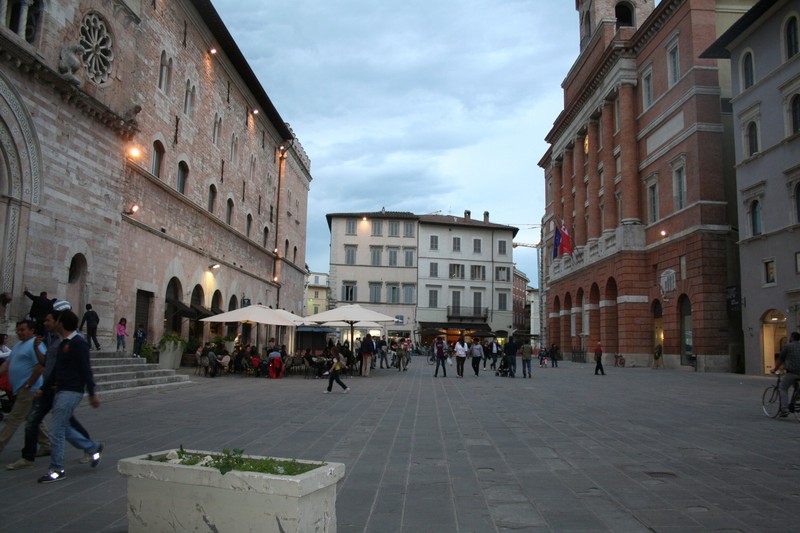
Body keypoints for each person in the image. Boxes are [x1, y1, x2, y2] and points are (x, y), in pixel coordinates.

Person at [8, 305, 93, 470]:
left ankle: (85, 450)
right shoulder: (55, 340)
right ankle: (28, 457)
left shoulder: (73, 342)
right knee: (33, 421)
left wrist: (91, 392)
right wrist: (36, 349)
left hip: (63, 389)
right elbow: (46, 363)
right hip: (49, 388)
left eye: (48, 320)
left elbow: (84, 368)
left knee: (65, 425)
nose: (45, 323)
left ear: (58, 322)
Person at [36, 309, 103, 483]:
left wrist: (92, 393)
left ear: (62, 323)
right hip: (61, 390)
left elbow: (86, 369)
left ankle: (56, 469)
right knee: (63, 428)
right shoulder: (62, 343)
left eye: (57, 320)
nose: (54, 323)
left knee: (56, 430)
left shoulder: (78, 343)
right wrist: (43, 388)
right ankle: (92, 447)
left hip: (71, 391)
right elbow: (56, 369)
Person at [0, 320, 50, 459]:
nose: (19, 332)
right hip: (21, 389)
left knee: (13, 419)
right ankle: (47, 445)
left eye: (22, 330)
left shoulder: (36, 345)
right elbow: (7, 363)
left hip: (29, 389)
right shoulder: (18, 346)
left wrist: (28, 384)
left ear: (32, 330)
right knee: (33, 419)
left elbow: (40, 366)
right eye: (18, 330)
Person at [772, 331, 800, 417]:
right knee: (796, 387)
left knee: (783, 388)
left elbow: (780, 359)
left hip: (792, 372)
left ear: (792, 338)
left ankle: (784, 409)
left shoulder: (787, 346)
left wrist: (774, 369)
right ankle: (795, 400)